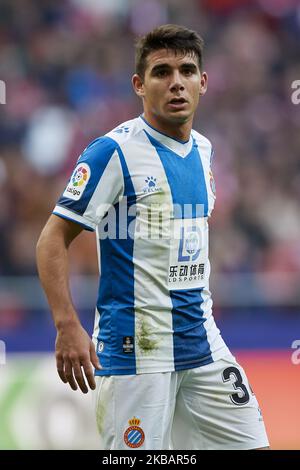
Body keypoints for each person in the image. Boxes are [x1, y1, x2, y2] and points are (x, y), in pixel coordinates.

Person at [36, 24, 269, 450]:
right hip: (135, 353)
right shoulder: (112, 152)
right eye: (162, 72)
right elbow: (52, 238)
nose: (176, 82)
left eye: (186, 70)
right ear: (139, 85)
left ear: (204, 82)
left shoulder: (204, 150)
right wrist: (67, 324)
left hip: (202, 343)